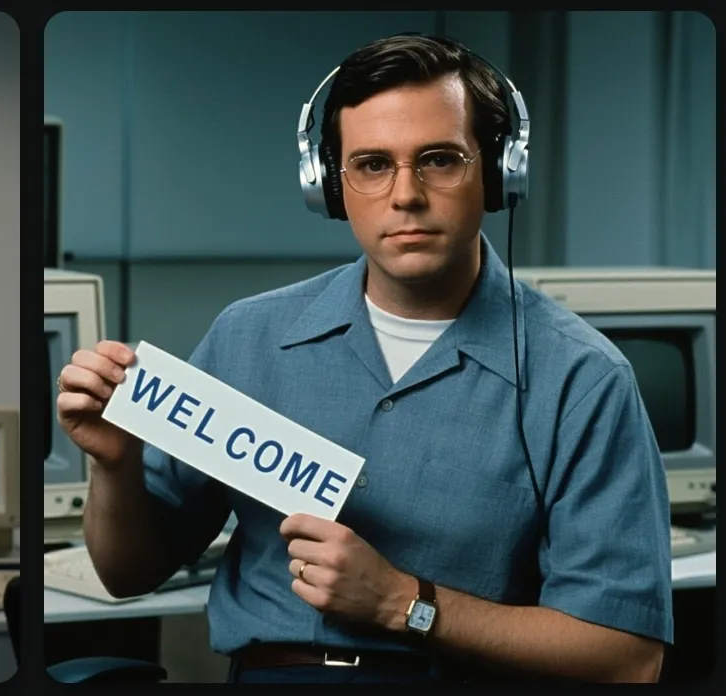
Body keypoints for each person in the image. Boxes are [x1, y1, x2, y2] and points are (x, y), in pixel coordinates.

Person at [55, 35, 669, 683]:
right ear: (329, 186)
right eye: (373, 165)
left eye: (439, 159)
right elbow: (127, 576)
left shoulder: (582, 378)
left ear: (497, 173)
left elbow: (628, 659)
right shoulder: (247, 336)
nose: (406, 195)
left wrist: (402, 603)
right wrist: (115, 463)